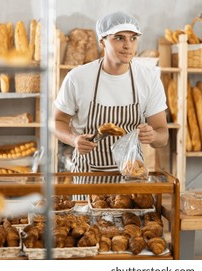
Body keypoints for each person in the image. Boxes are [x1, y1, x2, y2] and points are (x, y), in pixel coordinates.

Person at [54, 11, 168, 176]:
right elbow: (57, 121)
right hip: (88, 176)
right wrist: (74, 140)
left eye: (133, 38)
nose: (128, 45)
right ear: (102, 42)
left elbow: (162, 135)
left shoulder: (148, 78)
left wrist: (153, 136)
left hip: (132, 175)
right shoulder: (78, 77)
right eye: (119, 38)